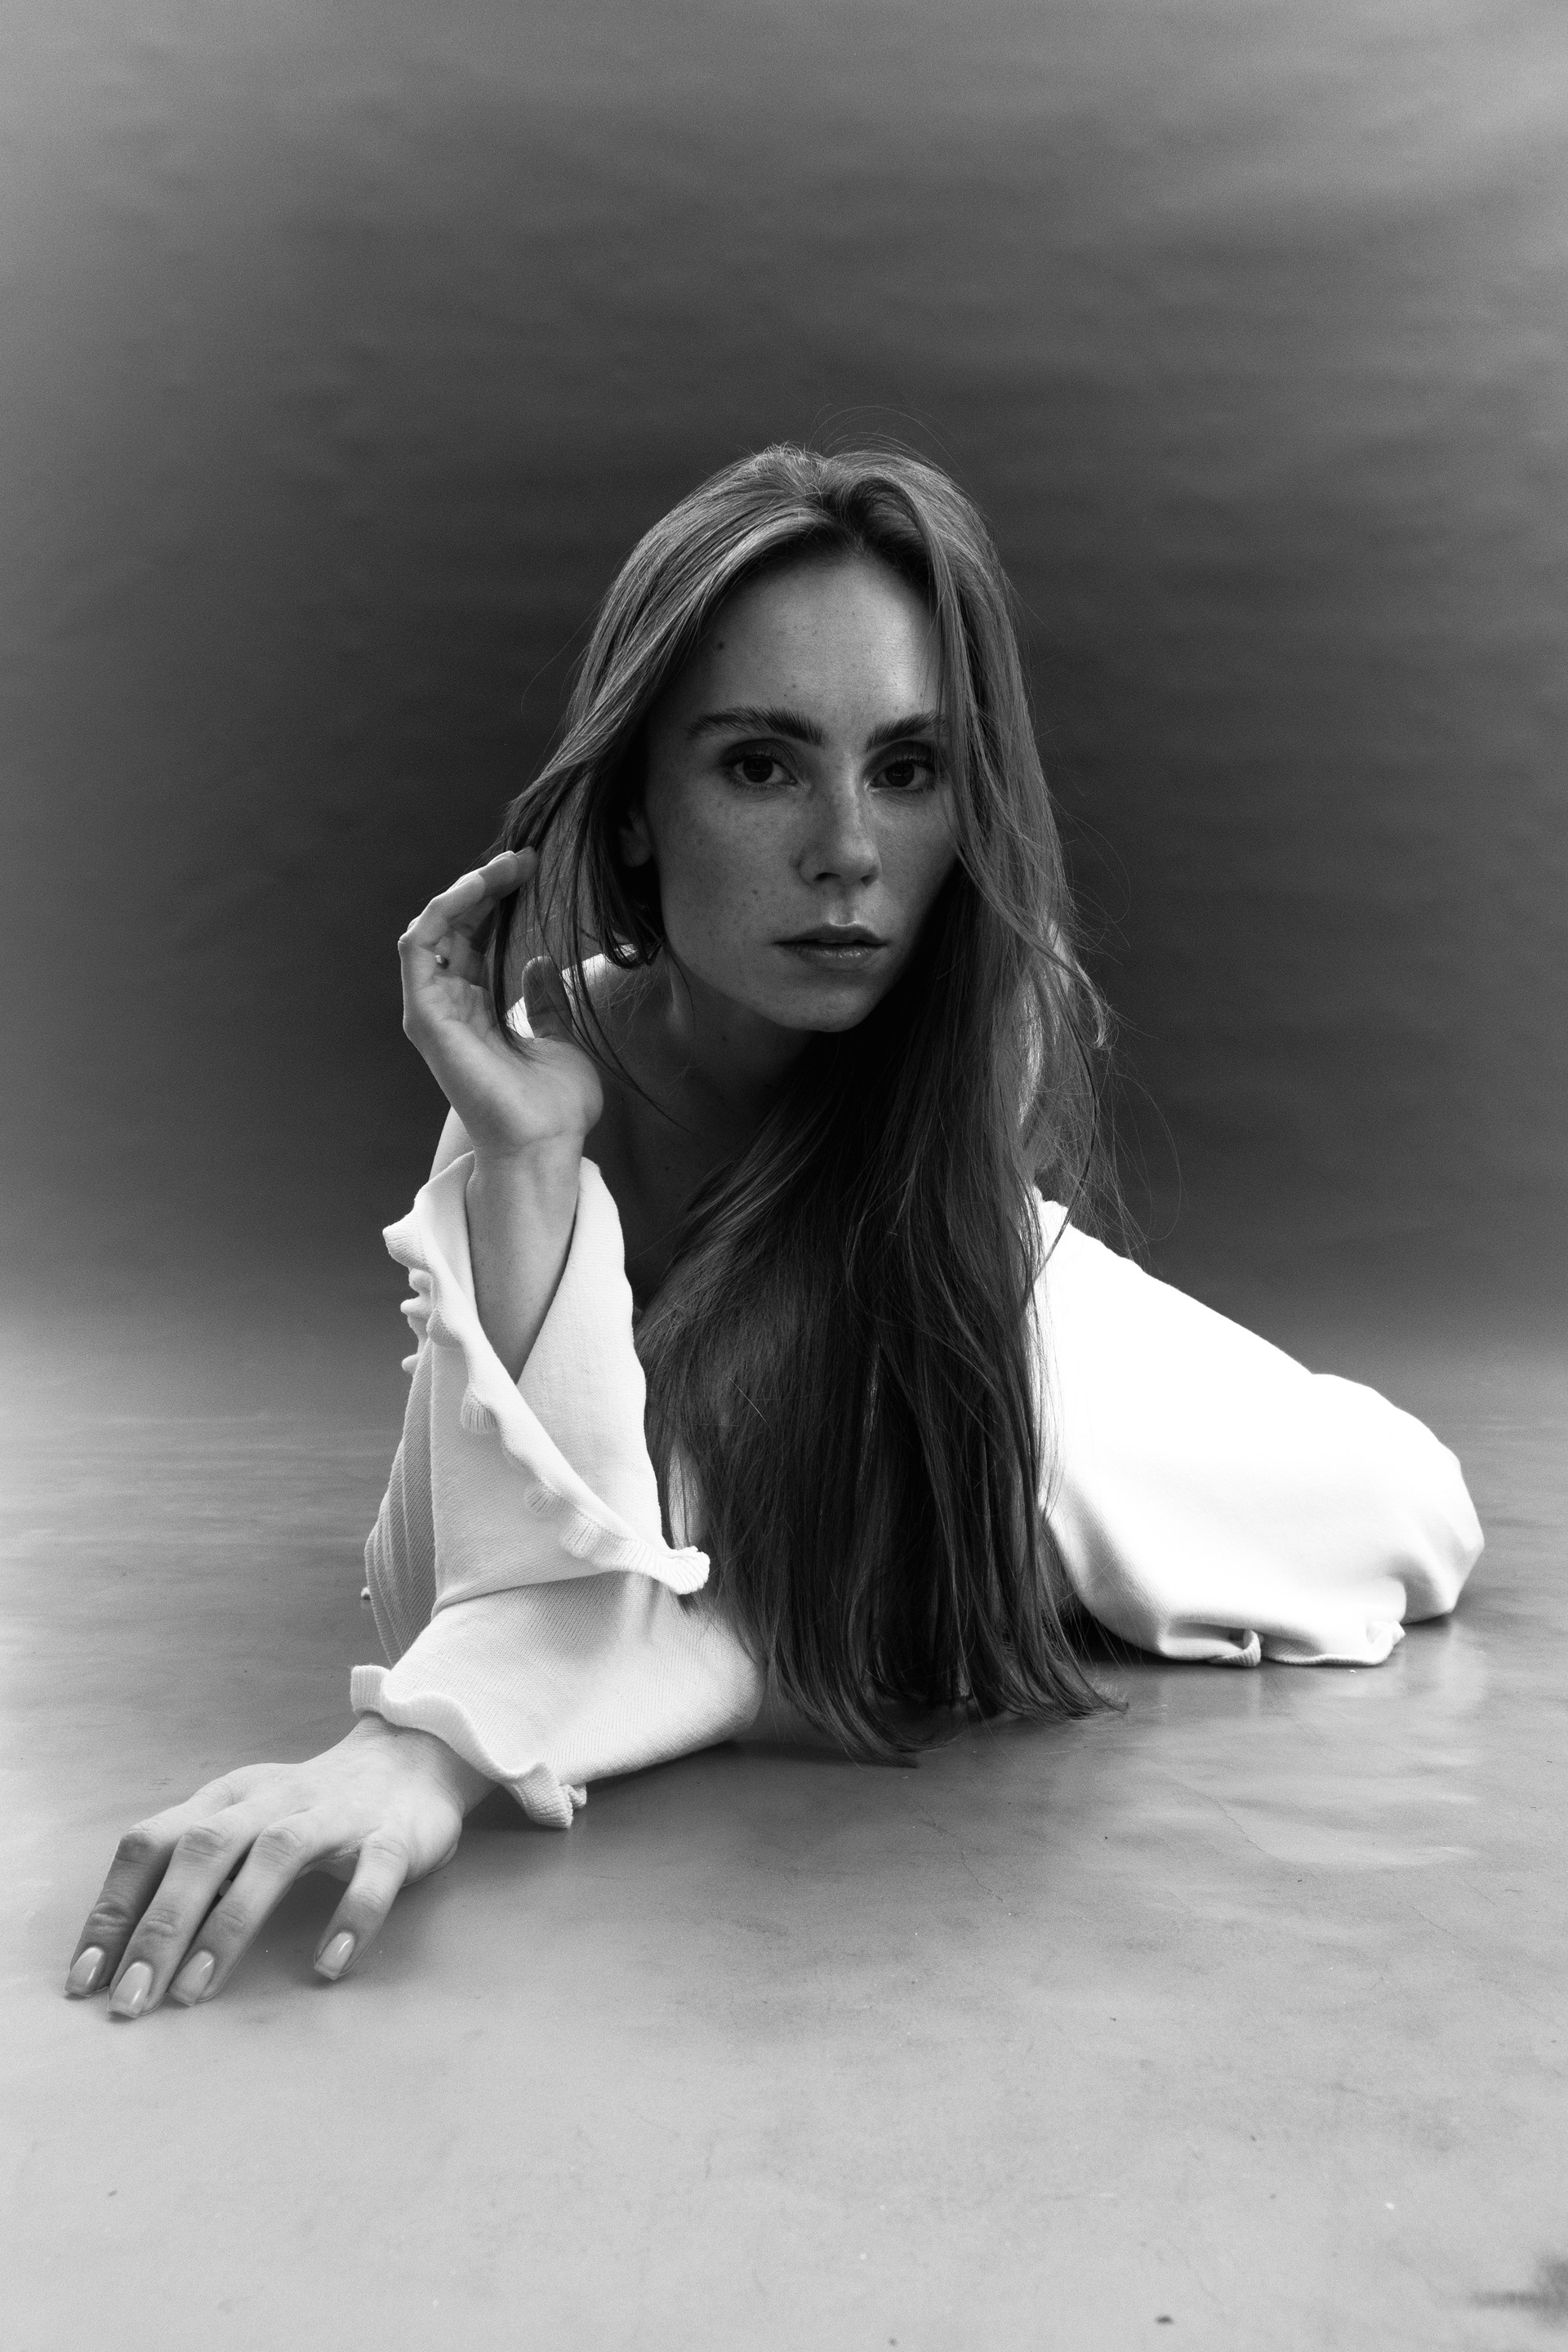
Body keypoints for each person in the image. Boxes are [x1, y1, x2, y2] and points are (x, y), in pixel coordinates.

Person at [64, 445, 1482, 2021]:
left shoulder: (963, 1073)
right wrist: (530, 1166)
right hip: (800, 1440)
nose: (849, 852)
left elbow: (708, 1581)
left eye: (909, 769)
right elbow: (443, 1585)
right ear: (638, 809)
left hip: (1017, 1340)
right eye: (760, 766)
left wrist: (428, 1747)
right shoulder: (549, 1073)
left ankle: (1007, 1532)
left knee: (1396, 1499)